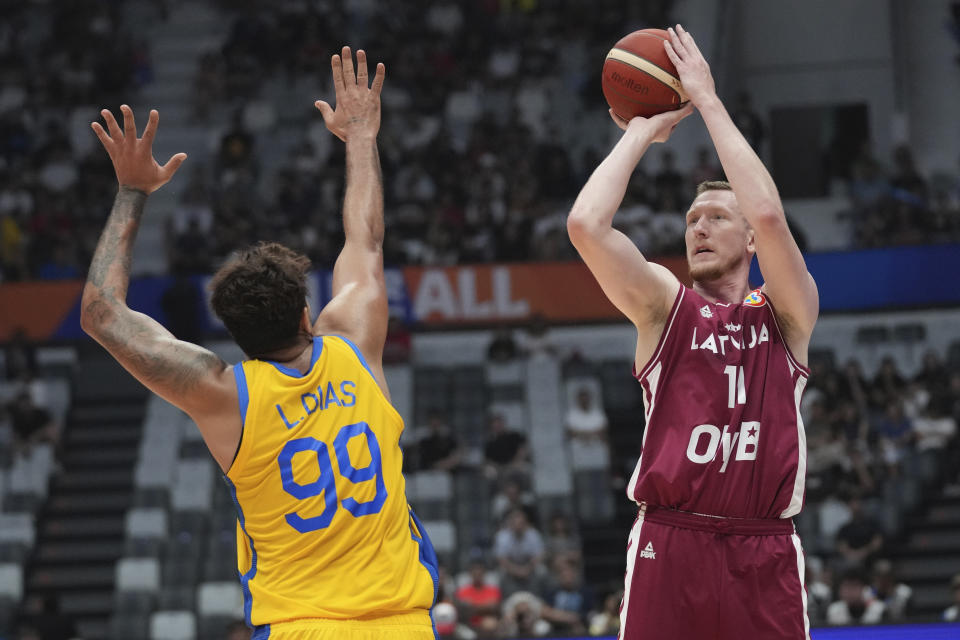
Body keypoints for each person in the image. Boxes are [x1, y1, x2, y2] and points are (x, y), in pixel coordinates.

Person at [81, 48, 438, 639]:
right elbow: (366, 239)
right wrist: (360, 136)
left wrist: (132, 191)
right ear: (307, 313)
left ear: (234, 335)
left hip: (299, 627)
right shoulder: (351, 342)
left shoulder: (222, 393)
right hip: (401, 623)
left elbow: (100, 313)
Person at [566, 25, 819, 640]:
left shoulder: (787, 314)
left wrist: (706, 100)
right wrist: (640, 133)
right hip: (671, 540)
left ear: (752, 241)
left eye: (715, 218)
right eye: (691, 219)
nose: (698, 228)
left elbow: (766, 210)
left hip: (764, 548)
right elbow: (585, 224)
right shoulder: (665, 307)